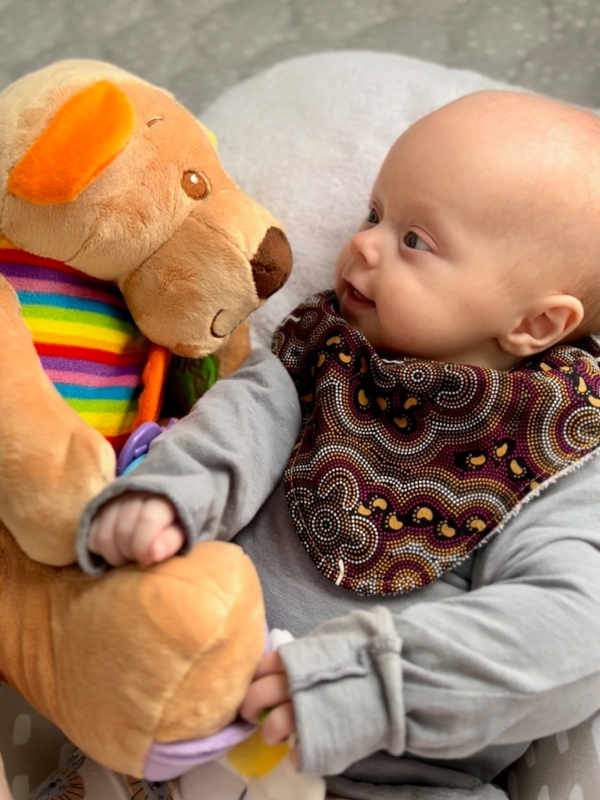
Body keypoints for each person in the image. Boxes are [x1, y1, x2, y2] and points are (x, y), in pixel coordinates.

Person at [72, 89, 600, 799]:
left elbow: (570, 630)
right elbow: (233, 427)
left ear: (536, 325)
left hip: (388, 780)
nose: (364, 244)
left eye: (416, 241)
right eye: (374, 214)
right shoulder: (320, 354)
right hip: (182, 727)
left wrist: (367, 680)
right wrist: (167, 499)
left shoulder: (566, 452)